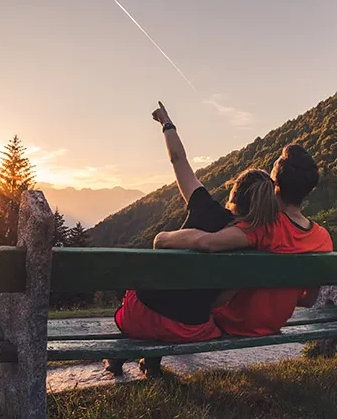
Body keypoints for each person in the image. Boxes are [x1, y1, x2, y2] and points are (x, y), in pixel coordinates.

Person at [105, 102, 281, 376]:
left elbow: (178, 160)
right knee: (180, 308)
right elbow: (217, 302)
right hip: (189, 329)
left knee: (145, 299)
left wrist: (167, 123)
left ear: (233, 192)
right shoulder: (253, 243)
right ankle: (151, 363)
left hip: (142, 317)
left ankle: (118, 357)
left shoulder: (204, 206)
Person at [154, 126, 333, 338]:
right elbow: (308, 300)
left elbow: (209, 243)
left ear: (274, 186)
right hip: (272, 324)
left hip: (233, 321)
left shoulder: (265, 226)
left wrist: (164, 238)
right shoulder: (323, 238)